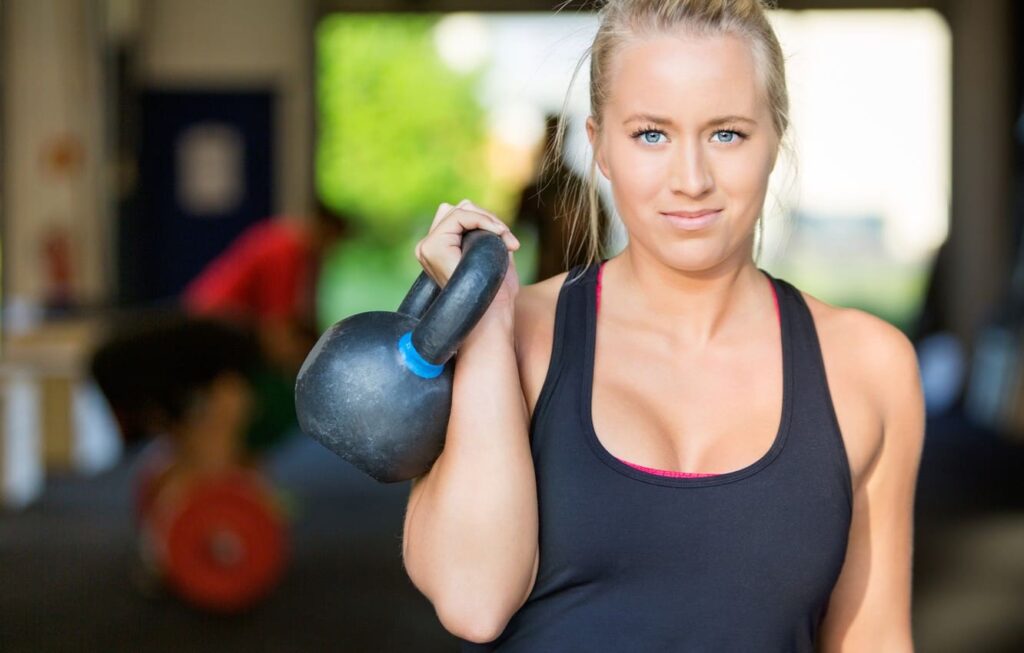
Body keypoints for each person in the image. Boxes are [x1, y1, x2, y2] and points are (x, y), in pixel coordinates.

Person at [402, 1, 924, 651]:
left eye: (727, 133)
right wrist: (482, 321)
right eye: (652, 134)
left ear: (775, 140)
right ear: (600, 148)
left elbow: (873, 639)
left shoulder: (869, 365)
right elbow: (473, 601)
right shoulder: (511, 338)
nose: (692, 179)